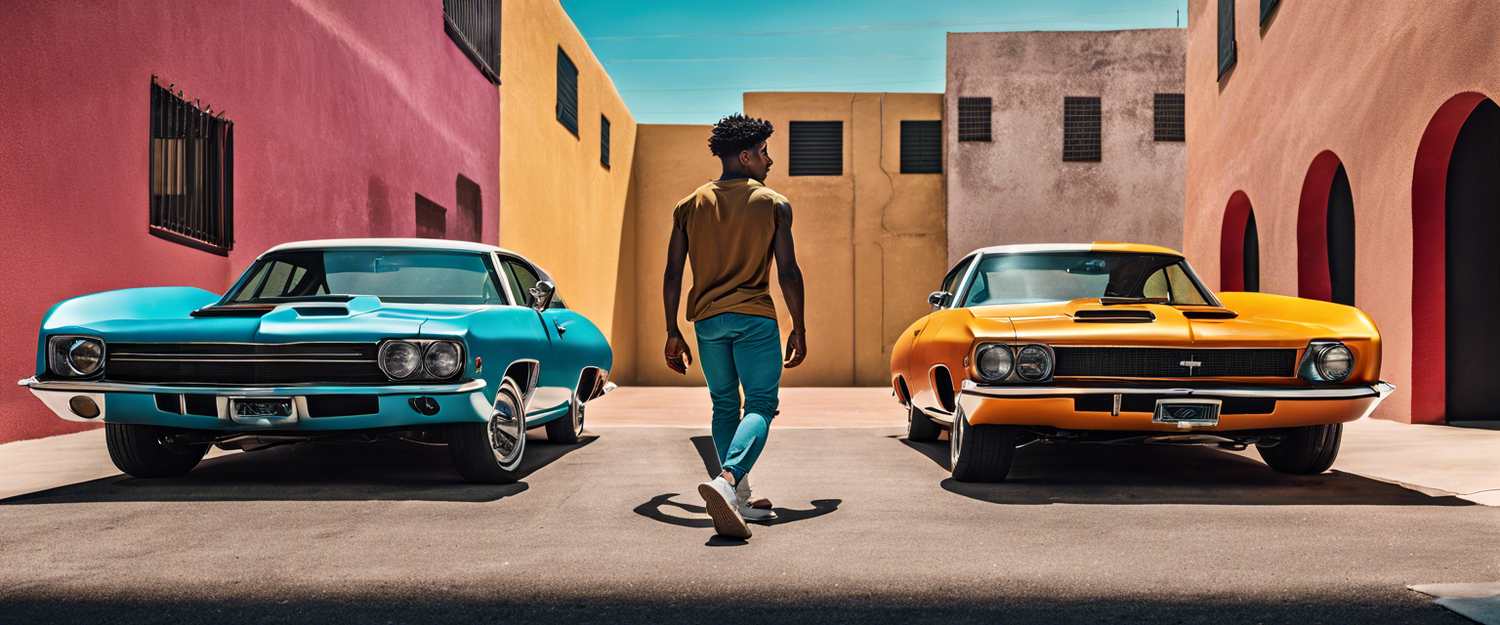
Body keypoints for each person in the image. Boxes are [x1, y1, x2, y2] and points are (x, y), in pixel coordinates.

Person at [662, 113, 807, 540]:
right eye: (764, 153)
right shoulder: (773, 203)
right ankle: (727, 481)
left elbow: (673, 272)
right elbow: (789, 273)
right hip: (754, 320)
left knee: (724, 406)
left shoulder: (688, 205)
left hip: (706, 323)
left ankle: (739, 496)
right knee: (760, 405)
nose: (770, 161)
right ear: (745, 157)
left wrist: (672, 330)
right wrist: (798, 326)